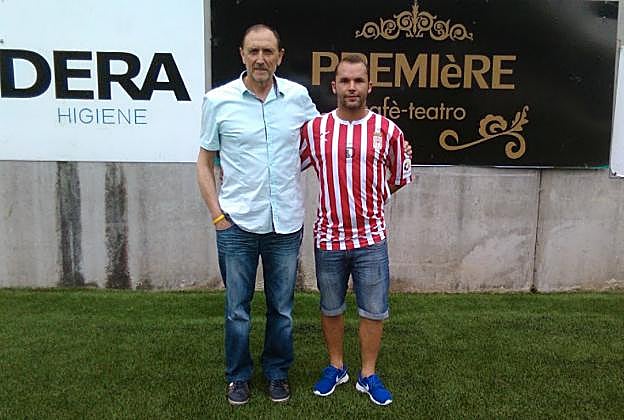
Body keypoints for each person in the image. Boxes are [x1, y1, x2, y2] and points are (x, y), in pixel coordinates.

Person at [196, 24, 318, 405]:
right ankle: (238, 377)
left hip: (286, 223)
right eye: (253, 51)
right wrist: (218, 217)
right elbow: (204, 162)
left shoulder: (298, 98)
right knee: (238, 309)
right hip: (236, 224)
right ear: (242, 55)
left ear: (280, 56)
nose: (260, 59)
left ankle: (277, 372)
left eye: (268, 51)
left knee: (282, 308)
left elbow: (323, 140)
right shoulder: (218, 101)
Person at [300, 54, 412, 406]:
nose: (352, 87)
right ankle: (336, 367)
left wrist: (374, 196)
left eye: (358, 80)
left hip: (371, 239)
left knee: (373, 310)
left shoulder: (388, 131)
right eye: (345, 81)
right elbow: (286, 165)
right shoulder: (314, 130)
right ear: (334, 86)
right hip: (329, 238)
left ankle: (368, 374)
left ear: (369, 86)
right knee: (331, 306)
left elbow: (399, 175)